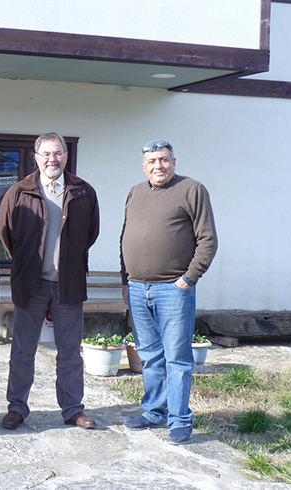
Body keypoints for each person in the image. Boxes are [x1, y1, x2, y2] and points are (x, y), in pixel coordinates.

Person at [0, 132, 100, 431]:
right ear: (36, 157)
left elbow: (90, 234)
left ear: (66, 156)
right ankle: (17, 407)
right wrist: (29, 262)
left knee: (70, 351)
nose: (52, 159)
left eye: (57, 153)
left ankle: (72, 409)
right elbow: (7, 233)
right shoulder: (18, 192)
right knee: (22, 350)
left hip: (68, 283)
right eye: (46, 154)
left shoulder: (83, 191)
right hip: (31, 284)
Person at [119, 139, 217, 445]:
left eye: (163, 160)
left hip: (174, 289)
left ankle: (179, 419)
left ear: (174, 162)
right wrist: (126, 279)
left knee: (177, 358)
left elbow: (208, 240)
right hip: (138, 288)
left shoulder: (192, 189)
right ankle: (154, 412)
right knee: (149, 357)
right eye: (151, 161)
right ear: (144, 165)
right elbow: (124, 237)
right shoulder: (135, 192)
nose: (157, 166)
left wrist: (189, 278)